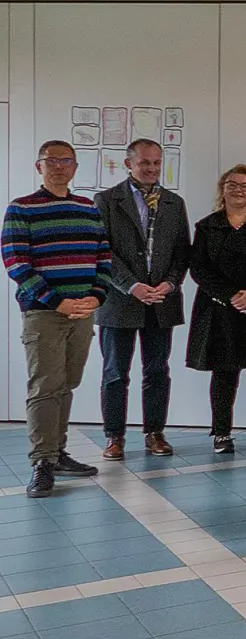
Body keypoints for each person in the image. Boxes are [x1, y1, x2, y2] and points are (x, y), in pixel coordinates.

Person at [3, 140, 110, 496]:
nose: (60, 166)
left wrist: (97, 296)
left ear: (75, 166)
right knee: (45, 386)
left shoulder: (87, 209)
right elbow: (16, 263)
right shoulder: (21, 209)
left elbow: (104, 258)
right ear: (39, 166)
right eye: (52, 161)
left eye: (66, 160)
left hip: (83, 313)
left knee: (67, 383)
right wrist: (56, 301)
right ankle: (42, 462)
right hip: (44, 313)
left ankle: (58, 451)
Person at [93, 139, 190, 461]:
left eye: (156, 163)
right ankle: (114, 437)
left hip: (160, 301)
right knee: (116, 372)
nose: (151, 169)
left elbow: (182, 253)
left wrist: (171, 283)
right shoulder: (106, 201)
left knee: (157, 370)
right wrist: (130, 285)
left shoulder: (175, 203)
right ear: (128, 163)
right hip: (120, 301)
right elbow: (102, 251)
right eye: (144, 163)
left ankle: (154, 433)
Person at [188, 165, 246, 455]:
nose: (238, 190)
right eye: (232, 184)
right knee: (224, 372)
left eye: (245, 185)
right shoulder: (208, 225)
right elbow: (198, 268)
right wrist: (231, 295)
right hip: (219, 306)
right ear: (223, 189)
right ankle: (221, 433)